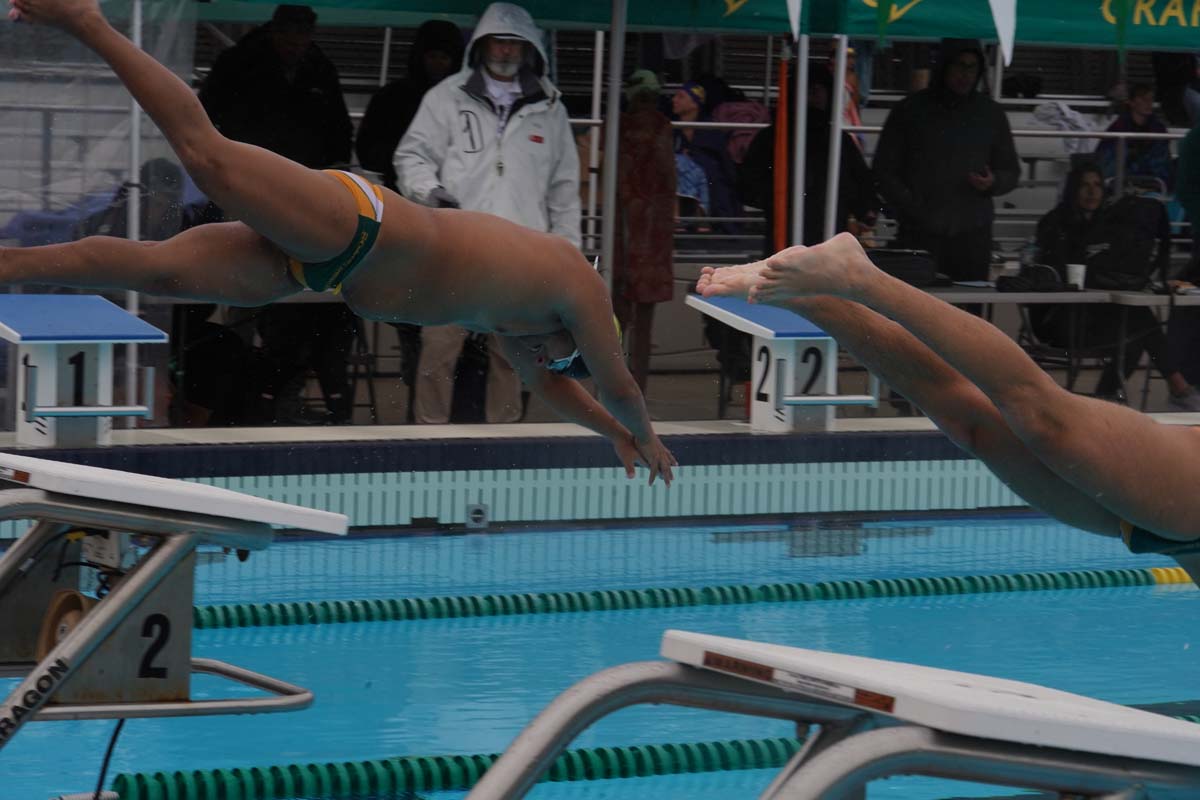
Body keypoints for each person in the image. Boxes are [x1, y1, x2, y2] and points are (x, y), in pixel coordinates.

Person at [3, 0, 674, 485]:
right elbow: (617, 382)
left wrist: (613, 436)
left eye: (565, 364)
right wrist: (644, 434)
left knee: (155, 272)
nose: (561, 365)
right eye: (572, 358)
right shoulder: (575, 282)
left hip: (317, 271)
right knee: (206, 155)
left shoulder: (530, 334)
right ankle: (85, 17)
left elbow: (559, 390)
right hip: (361, 223)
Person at [697, 235, 1200, 585]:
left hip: (1179, 542)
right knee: (1044, 419)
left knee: (969, 423)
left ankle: (812, 299)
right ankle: (860, 277)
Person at [394, 2, 581, 425]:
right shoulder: (445, 98)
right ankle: (427, 439)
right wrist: (431, 192)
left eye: (516, 43)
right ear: (480, 44)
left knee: (514, 357)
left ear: (531, 48)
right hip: (454, 248)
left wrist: (569, 254)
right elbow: (411, 155)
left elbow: (564, 190)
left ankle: (506, 443)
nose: (506, 51)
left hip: (521, 255)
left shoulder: (551, 109)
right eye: (498, 41)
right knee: (437, 351)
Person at [199, 3, 358, 424]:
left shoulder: (319, 68)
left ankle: (273, 395)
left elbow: (338, 129)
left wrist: (333, 173)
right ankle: (236, 393)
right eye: (288, 35)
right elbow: (210, 121)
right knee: (240, 285)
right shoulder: (239, 63)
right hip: (246, 188)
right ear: (274, 32)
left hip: (302, 198)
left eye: (302, 36)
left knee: (295, 302)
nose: (295, 44)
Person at [355, 19, 465, 420]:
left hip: (454, 235)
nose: (438, 64)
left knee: (456, 340)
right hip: (406, 230)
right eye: (432, 55)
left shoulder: (463, 103)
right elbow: (370, 152)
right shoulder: (394, 99)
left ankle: (456, 416)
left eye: (445, 57)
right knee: (415, 331)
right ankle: (419, 414)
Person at [1031, 162, 1200, 409]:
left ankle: (1107, 398)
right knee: (1137, 324)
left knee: (1134, 332)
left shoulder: (1111, 226)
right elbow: (1057, 276)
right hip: (1059, 320)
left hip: (1094, 316)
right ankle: (1175, 388)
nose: (1092, 192)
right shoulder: (1054, 223)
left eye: (1098, 185)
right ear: (1072, 189)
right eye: (1084, 185)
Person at [872, 38, 1019, 285]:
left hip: (972, 233)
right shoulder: (911, 110)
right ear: (944, 66)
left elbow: (1011, 171)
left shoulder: (990, 114)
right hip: (919, 233)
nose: (966, 74)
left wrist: (993, 183)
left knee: (968, 314)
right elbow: (883, 172)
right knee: (916, 312)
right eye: (959, 65)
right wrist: (913, 208)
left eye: (972, 67)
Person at [738, 64, 878, 253]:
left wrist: (864, 207)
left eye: (819, 90)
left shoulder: (838, 141)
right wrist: (776, 199)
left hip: (827, 230)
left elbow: (860, 182)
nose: (814, 96)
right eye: (809, 90)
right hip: (786, 229)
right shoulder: (773, 138)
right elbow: (749, 185)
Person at [614, 69, 675, 392]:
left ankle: (616, 384)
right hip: (653, 236)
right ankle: (638, 386)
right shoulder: (663, 129)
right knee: (642, 324)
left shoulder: (619, 127)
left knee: (617, 318)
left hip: (626, 232)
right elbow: (668, 179)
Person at [1093, 83, 1171, 190]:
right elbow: (1106, 159)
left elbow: (1162, 161)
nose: (1148, 103)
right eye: (1143, 99)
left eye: (1151, 99)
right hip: (1120, 181)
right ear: (1131, 102)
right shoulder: (1118, 128)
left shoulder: (1159, 130)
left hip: (1152, 182)